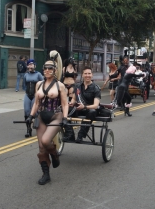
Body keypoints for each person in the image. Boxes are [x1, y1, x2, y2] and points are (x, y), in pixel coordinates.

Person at [26, 50, 68, 185]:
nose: (48, 70)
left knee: (45, 141)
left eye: (51, 68)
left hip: (56, 116)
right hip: (42, 116)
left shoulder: (60, 86)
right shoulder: (39, 84)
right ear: (43, 69)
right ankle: (46, 174)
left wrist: (65, 118)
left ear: (55, 70)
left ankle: (54, 154)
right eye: (45, 68)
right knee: (41, 147)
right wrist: (31, 116)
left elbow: (65, 104)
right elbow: (37, 103)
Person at [63, 66, 101, 143]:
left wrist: (85, 107)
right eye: (85, 73)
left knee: (92, 111)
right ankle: (70, 134)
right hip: (78, 109)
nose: (87, 75)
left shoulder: (96, 88)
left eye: (89, 73)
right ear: (82, 75)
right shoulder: (77, 86)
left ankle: (81, 135)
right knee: (64, 110)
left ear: (92, 75)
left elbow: (96, 105)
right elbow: (74, 98)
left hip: (89, 110)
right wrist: (71, 103)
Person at [23, 59, 44, 137]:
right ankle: (28, 129)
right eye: (29, 64)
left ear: (35, 65)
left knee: (34, 112)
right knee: (27, 111)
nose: (30, 66)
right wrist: (26, 92)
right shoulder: (26, 75)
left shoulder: (38, 74)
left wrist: (39, 93)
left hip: (36, 95)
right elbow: (24, 84)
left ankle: (38, 126)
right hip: (28, 94)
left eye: (32, 64)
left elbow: (43, 83)